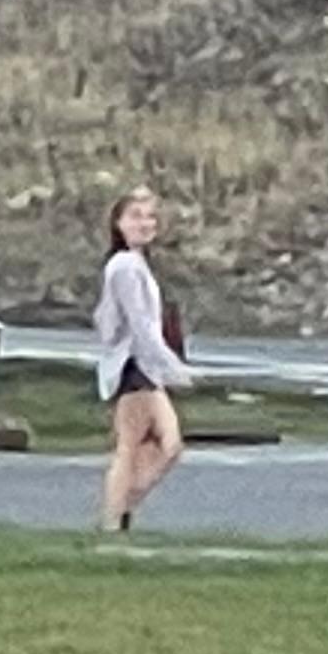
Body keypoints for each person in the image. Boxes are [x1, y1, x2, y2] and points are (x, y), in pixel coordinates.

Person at [94, 184, 194, 532]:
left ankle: (120, 509)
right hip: (133, 365)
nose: (145, 223)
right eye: (136, 216)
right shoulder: (124, 267)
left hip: (144, 366)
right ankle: (114, 516)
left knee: (164, 445)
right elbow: (138, 325)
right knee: (137, 445)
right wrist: (172, 367)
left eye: (150, 217)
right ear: (119, 223)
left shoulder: (136, 265)